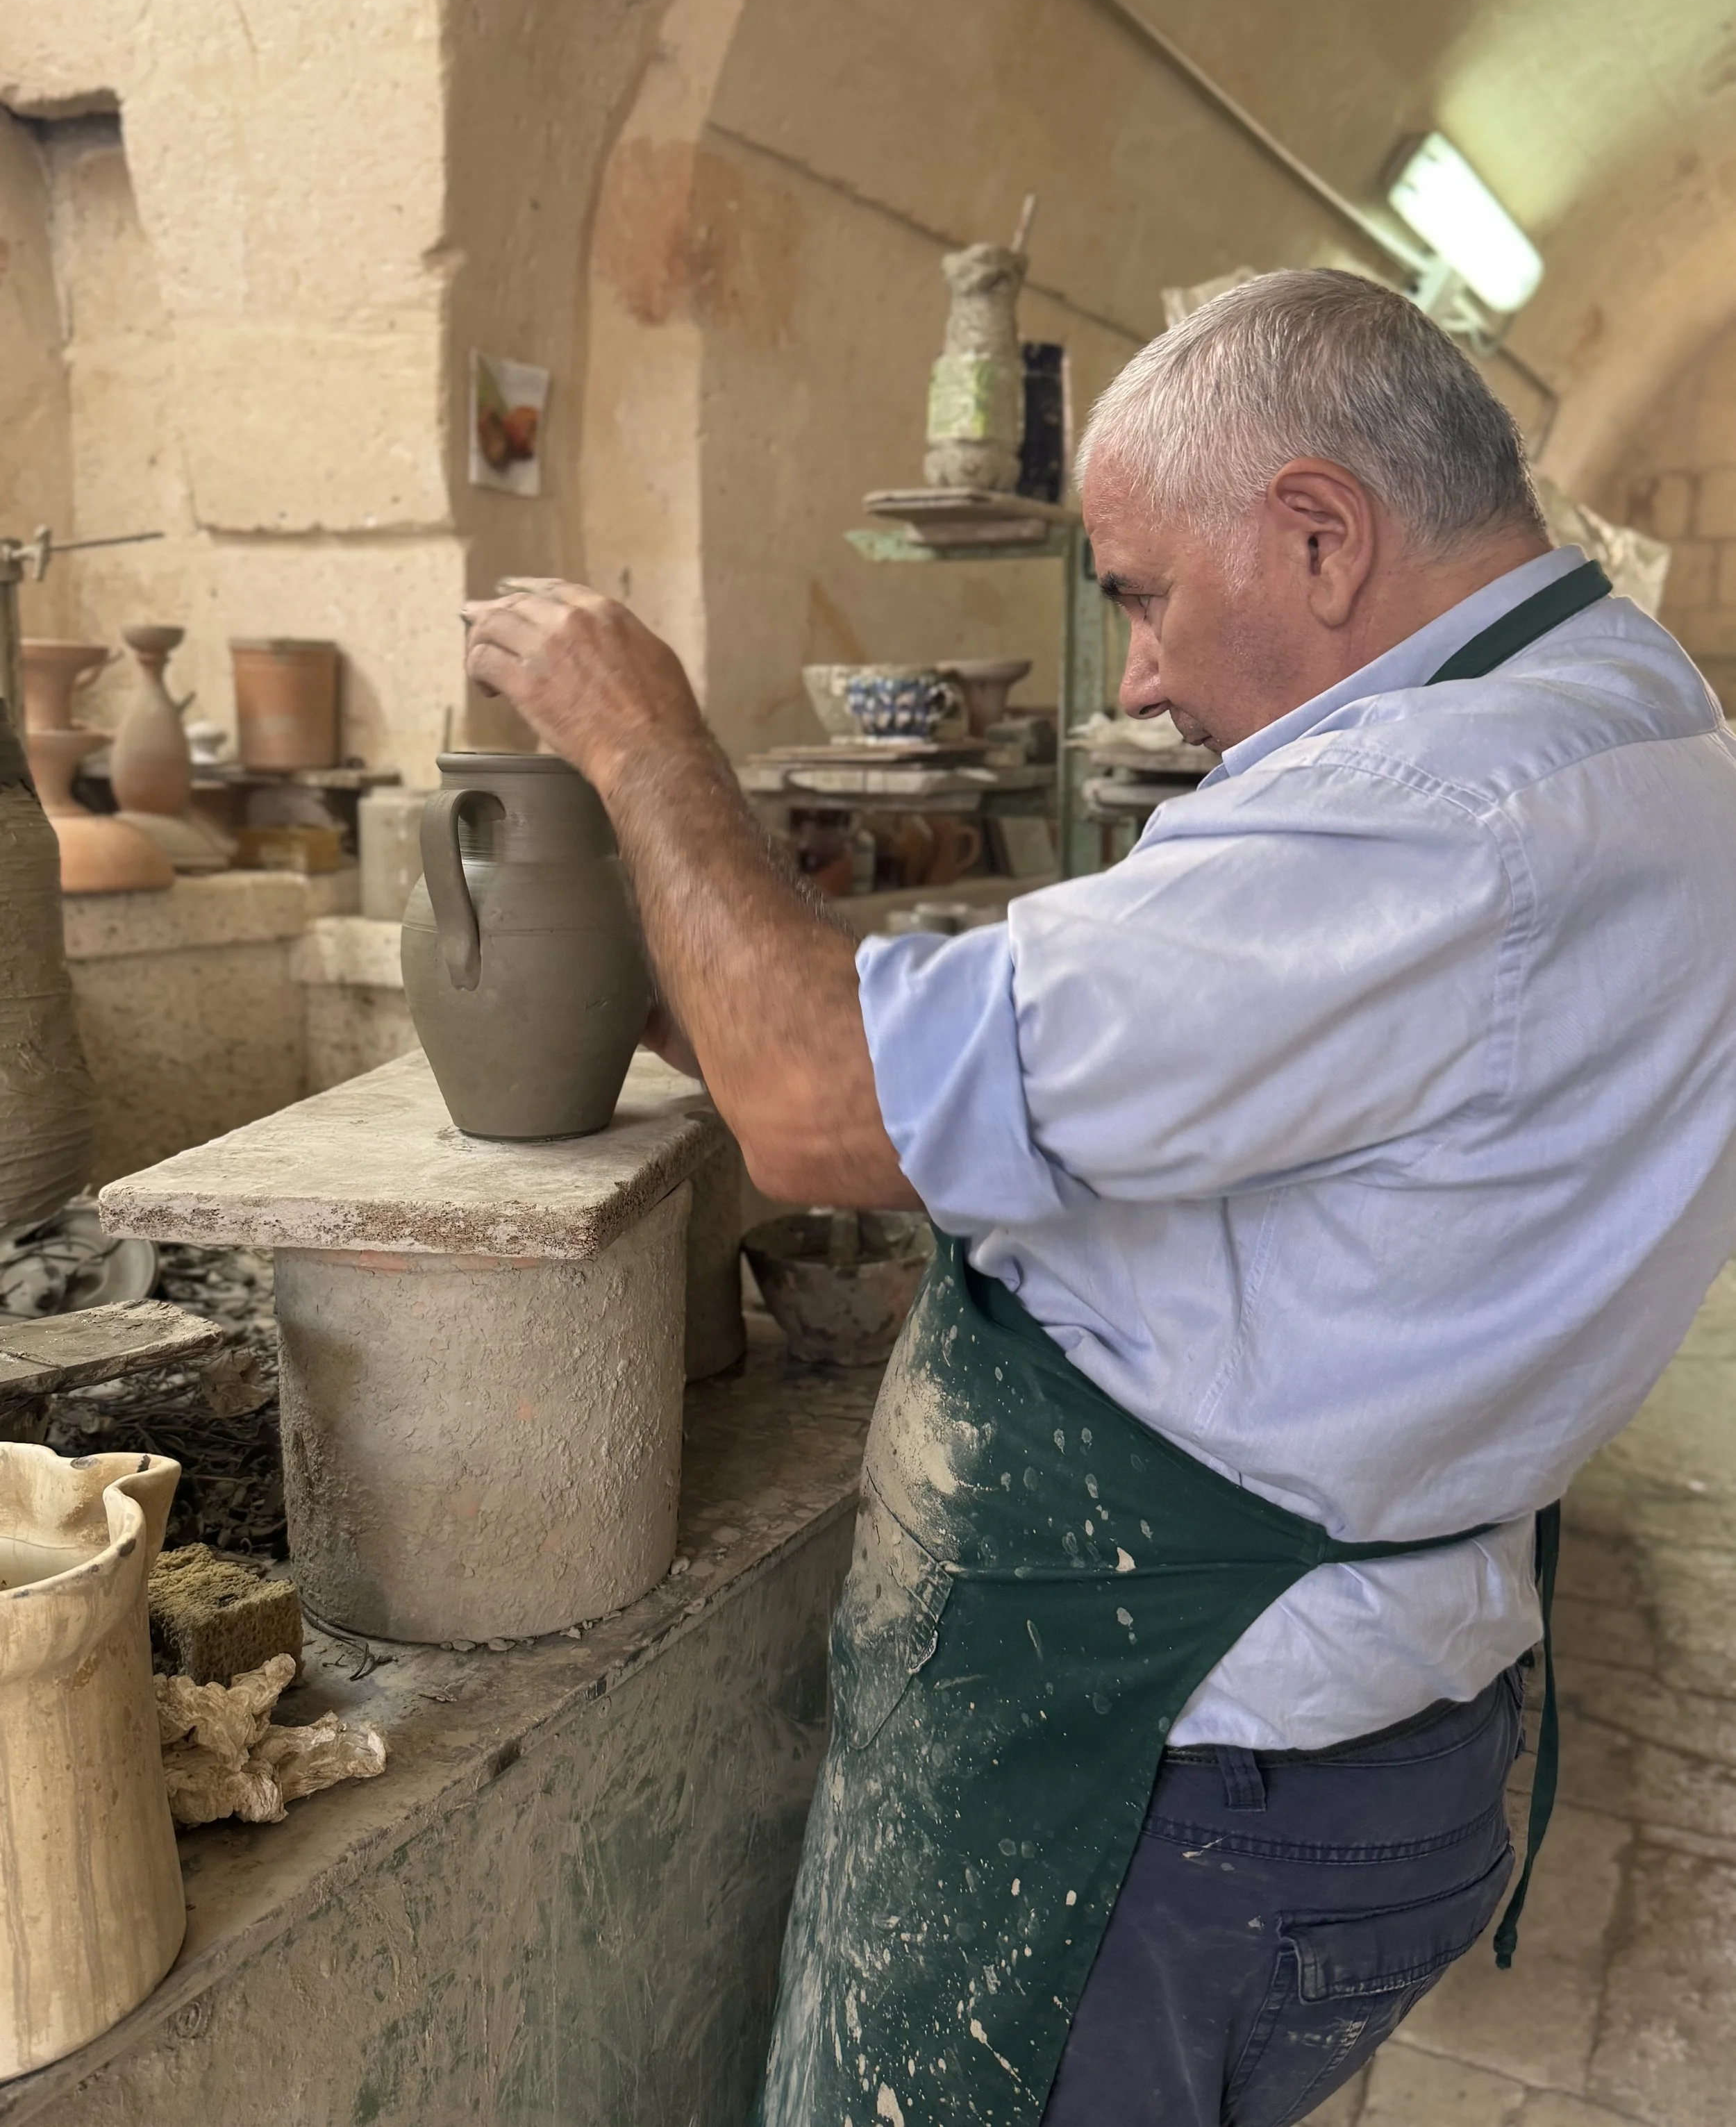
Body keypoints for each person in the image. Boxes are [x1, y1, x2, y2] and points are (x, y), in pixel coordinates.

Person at [461, 269, 1736, 2126]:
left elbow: (818, 1113)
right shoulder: (1629, 701)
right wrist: (735, 988)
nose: (1134, 672)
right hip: (1375, 1716)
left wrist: (642, 738)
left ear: (1316, 534)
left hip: (1185, 1766)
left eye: (1140, 594)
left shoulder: (1423, 816)